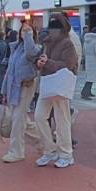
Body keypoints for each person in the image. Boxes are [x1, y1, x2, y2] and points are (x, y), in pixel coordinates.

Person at [34, 18, 78, 168]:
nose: (52, 31)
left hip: (60, 84)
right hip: (49, 83)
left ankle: (66, 154)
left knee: (62, 119)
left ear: (61, 30)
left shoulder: (68, 44)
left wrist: (48, 63)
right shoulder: (47, 43)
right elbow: (44, 61)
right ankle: (50, 150)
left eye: (54, 29)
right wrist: (39, 63)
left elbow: (69, 65)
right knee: (39, 116)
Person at [0, 22, 41, 163]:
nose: (24, 32)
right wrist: (4, 91)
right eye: (23, 30)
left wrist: (29, 35)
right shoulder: (16, 49)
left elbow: (31, 53)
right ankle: (45, 141)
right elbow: (9, 72)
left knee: (18, 119)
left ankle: (16, 151)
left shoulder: (35, 48)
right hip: (14, 87)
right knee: (21, 119)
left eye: (28, 30)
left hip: (26, 86)